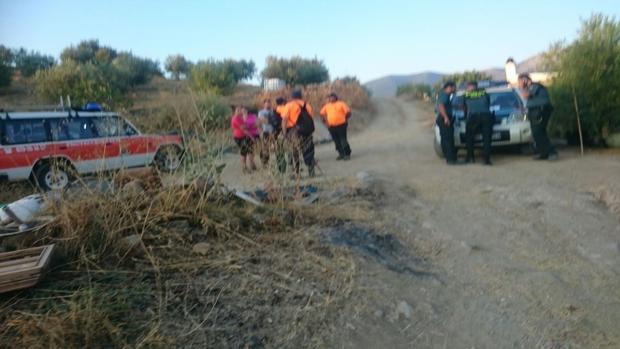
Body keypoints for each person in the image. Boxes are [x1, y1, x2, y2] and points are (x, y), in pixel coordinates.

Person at [518, 73, 558, 161]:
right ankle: (543, 153)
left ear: (526, 80)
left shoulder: (535, 86)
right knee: (537, 133)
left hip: (541, 111)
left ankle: (552, 152)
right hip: (534, 112)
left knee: (539, 132)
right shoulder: (529, 88)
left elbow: (526, 95)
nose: (519, 84)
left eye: (520, 81)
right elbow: (529, 99)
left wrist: (523, 87)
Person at [281, 90, 316, 177]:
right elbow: (311, 118)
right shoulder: (307, 105)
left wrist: (284, 133)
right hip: (307, 131)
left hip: (293, 131)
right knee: (308, 150)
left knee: (294, 151)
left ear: (292, 97)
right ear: (301, 96)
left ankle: (297, 173)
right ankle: (311, 172)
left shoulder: (289, 105)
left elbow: (284, 120)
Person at [463, 81, 493, 165]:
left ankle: (470, 158)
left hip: (473, 117)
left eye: (467, 87)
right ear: (476, 86)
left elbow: (464, 107)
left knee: (469, 137)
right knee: (486, 138)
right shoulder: (484, 93)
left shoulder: (466, 95)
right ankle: (486, 160)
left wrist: (465, 116)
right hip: (486, 116)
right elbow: (488, 104)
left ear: (469, 87)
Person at [320, 92, 352, 160]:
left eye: (332, 97)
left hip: (341, 125)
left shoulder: (341, 104)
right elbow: (322, 113)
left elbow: (348, 112)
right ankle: (341, 154)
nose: (330, 98)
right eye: (329, 97)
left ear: (335, 97)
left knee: (343, 140)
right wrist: (325, 123)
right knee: (336, 141)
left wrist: (345, 120)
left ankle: (347, 153)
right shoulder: (327, 106)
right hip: (331, 126)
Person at [230, 106, 258, 173]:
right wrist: (251, 137)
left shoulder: (240, 118)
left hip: (244, 136)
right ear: (235, 111)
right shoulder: (236, 118)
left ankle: (251, 164)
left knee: (250, 150)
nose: (240, 111)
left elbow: (246, 126)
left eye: (240, 110)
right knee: (244, 152)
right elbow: (244, 129)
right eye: (238, 110)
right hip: (239, 137)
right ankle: (244, 167)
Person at [436, 81, 458, 164]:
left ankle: (449, 157)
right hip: (444, 118)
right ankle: (450, 159)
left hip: (443, 118)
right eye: (454, 87)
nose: (455, 89)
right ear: (450, 87)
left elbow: (447, 106)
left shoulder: (447, 95)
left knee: (445, 138)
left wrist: (459, 107)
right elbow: (441, 106)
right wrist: (446, 118)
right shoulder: (444, 95)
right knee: (448, 139)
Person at [257, 99, 280, 167]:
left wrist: (271, 121)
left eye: (269, 103)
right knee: (265, 148)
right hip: (266, 131)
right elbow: (262, 120)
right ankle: (264, 163)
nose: (268, 104)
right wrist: (272, 122)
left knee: (276, 147)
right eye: (266, 103)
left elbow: (277, 120)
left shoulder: (273, 111)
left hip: (274, 132)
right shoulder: (261, 112)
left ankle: (278, 162)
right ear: (264, 104)